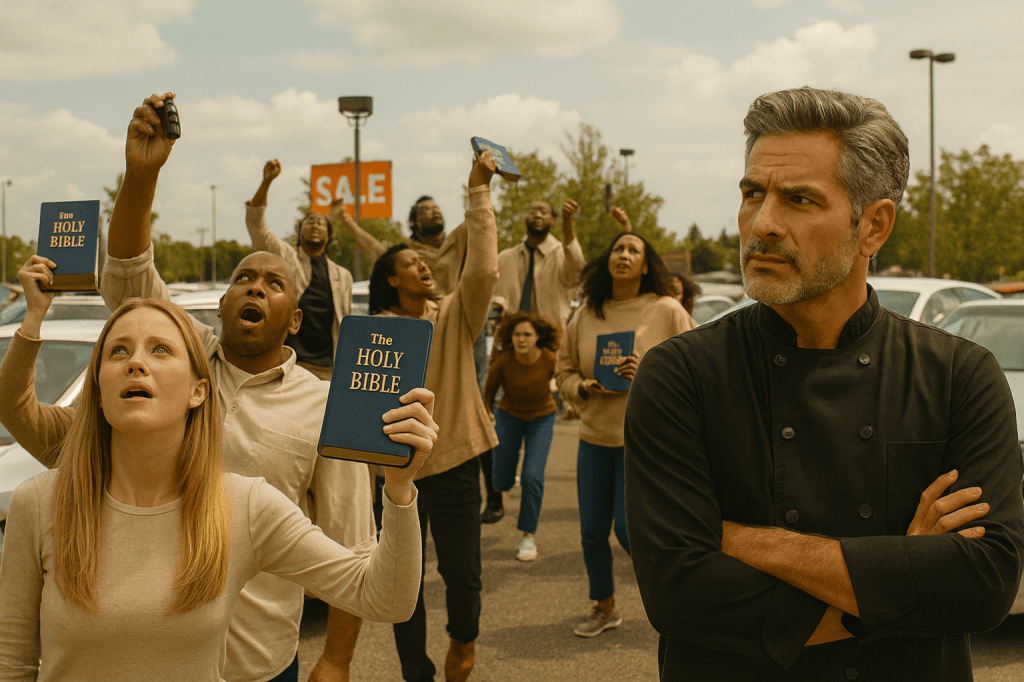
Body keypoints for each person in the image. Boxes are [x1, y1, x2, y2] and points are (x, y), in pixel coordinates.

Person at [623, 86, 1024, 680]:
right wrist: (900, 573)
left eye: (799, 199)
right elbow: (680, 594)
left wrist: (745, 541)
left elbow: (982, 585)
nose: (762, 224)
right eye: (752, 193)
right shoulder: (681, 375)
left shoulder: (959, 377)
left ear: (874, 227)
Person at [0, 92, 378, 682]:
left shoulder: (326, 408)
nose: (254, 287)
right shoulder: (178, 360)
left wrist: (336, 658)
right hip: (139, 660)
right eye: (242, 278)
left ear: (296, 318)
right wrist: (142, 174)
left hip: (255, 663)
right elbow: (127, 267)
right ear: (221, 304)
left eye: (273, 282)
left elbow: (354, 544)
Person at [0, 279, 436, 680]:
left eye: (160, 350)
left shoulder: (245, 505)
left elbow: (387, 598)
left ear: (198, 391)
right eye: (118, 351)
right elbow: (12, 662)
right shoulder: (38, 502)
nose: (135, 362)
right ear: (97, 390)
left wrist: (399, 490)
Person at [367, 150, 498, 682]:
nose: (423, 266)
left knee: (463, 576)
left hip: (458, 463)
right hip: (397, 476)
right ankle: (414, 671)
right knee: (406, 583)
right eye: (410, 264)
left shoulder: (455, 316)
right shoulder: (372, 334)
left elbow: (485, 266)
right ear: (392, 281)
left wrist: (479, 191)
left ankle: (463, 643)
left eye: (425, 262)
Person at [554, 223, 694, 638]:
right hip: (594, 437)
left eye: (633, 249)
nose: (624, 255)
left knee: (630, 532)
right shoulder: (586, 314)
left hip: (644, 441)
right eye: (618, 248)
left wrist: (647, 374)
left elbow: (695, 369)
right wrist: (579, 387)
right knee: (592, 532)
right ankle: (605, 606)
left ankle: (678, 599)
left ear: (646, 263)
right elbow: (563, 369)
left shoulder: (667, 309)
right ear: (607, 261)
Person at [246, 158, 353, 380]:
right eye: (310, 221)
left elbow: (346, 323)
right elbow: (256, 223)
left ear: (330, 234)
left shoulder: (342, 276)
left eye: (321, 223)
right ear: (299, 231)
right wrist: (267, 182)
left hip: (328, 369)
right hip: (288, 364)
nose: (315, 225)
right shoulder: (284, 258)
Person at [482, 311, 561, 562]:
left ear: (538, 337)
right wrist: (487, 412)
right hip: (509, 416)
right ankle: (507, 479)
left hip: (542, 419)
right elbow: (489, 390)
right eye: (517, 334)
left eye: (527, 334)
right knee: (501, 480)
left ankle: (528, 535)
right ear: (510, 337)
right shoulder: (504, 360)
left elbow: (563, 380)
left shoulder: (549, 358)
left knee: (532, 476)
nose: (522, 339)